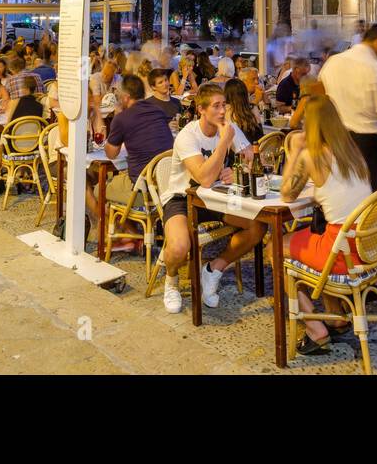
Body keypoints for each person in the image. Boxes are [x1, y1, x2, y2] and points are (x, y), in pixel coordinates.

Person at [159, 82, 267, 314]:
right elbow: (204, 178)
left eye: (224, 105)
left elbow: (251, 159)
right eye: (216, 106)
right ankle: (171, 280)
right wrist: (224, 143)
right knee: (179, 247)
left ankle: (212, 270)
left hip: (216, 198)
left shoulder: (229, 127)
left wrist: (239, 170)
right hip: (182, 198)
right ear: (201, 110)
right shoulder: (188, 136)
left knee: (257, 226)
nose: (222, 111)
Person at [279, 97, 375, 354]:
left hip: (341, 253)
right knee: (315, 233)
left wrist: (297, 151)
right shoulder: (352, 151)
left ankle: (314, 326)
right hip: (366, 246)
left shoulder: (313, 155)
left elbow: (287, 194)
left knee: (275, 246)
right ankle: (338, 316)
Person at [317, 24, 377, 191]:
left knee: (343, 194)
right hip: (364, 145)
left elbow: (319, 97)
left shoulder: (332, 61)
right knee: (376, 201)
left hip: (333, 141)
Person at [99, 74, 174, 252]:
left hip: (144, 190)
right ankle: (133, 234)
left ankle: (128, 236)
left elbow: (111, 153)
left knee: (98, 189)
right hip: (165, 184)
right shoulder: (158, 111)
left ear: (125, 97)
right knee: (124, 177)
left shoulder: (123, 118)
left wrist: (117, 116)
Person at [223, 77, 264, 146]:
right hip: (259, 148)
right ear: (245, 93)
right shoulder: (253, 108)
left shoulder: (226, 111)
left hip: (241, 152)